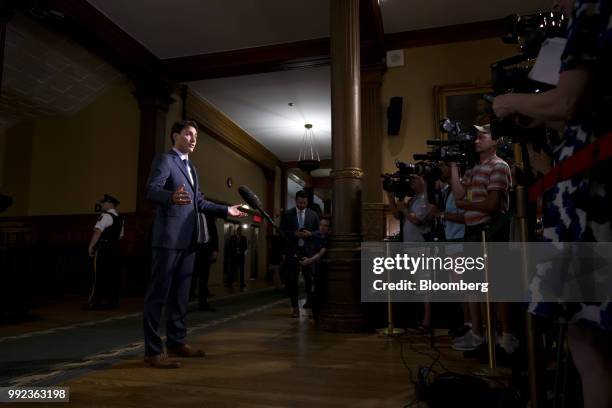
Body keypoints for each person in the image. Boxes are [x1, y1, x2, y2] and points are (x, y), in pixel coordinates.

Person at [493, 0, 612, 405]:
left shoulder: (594, 9)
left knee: (586, 335)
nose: (559, 5)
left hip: (592, 197)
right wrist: (542, 117)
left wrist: (509, 101)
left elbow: (566, 102)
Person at [143, 119, 246, 369]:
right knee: (158, 296)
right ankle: (153, 351)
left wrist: (226, 210)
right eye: (188, 134)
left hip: (188, 241)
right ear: (175, 135)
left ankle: (177, 342)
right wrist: (169, 196)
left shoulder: (192, 168)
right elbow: (151, 190)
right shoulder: (165, 160)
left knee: (180, 296)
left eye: (196, 137)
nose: (193, 139)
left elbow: (200, 202)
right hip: (168, 240)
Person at [449, 124, 515, 353]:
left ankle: (506, 337)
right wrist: (454, 167)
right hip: (474, 230)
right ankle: (477, 334)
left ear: (495, 141)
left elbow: (492, 205)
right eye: (476, 137)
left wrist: (466, 205)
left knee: (497, 286)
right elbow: (458, 195)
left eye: (481, 136)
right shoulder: (475, 169)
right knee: (473, 284)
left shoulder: (499, 166)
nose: (476, 140)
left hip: (492, 230)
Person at [387, 175, 434, 332]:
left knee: (424, 285)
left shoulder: (427, 197)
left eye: (414, 179)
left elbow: (417, 220)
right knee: (417, 285)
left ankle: (427, 322)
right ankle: (419, 319)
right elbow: (397, 215)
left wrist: (404, 209)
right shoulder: (414, 199)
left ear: (423, 180)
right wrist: (390, 196)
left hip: (420, 246)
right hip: (410, 246)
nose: (411, 182)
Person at [280, 190, 320, 317]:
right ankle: (294, 307)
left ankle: (309, 301)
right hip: (293, 250)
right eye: (299, 202)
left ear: (307, 202)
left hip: (308, 250)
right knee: (292, 279)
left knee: (309, 278)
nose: (302, 205)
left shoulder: (313, 215)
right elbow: (281, 232)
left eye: (304, 203)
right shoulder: (287, 214)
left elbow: (319, 231)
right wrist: (294, 234)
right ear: (296, 201)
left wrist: (310, 234)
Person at [85, 194, 124, 310]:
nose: (102, 204)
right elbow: (120, 236)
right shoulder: (120, 218)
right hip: (116, 248)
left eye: (104, 202)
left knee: (99, 275)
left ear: (110, 204)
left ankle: (95, 302)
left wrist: (91, 246)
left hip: (105, 248)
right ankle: (112, 302)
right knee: (113, 275)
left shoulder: (106, 216)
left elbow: (98, 232)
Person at [299, 216, 331, 323]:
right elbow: (311, 235)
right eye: (321, 225)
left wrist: (309, 260)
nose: (322, 227)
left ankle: (319, 315)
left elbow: (321, 253)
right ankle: (316, 315)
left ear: (329, 228)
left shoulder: (328, 238)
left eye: (325, 226)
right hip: (314, 267)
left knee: (320, 291)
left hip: (324, 268)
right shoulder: (316, 234)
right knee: (314, 291)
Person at [190, 214, 218, 311]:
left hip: (206, 249)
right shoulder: (190, 214)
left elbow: (214, 232)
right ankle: (186, 301)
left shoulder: (209, 215)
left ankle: (203, 303)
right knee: (190, 276)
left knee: (204, 277)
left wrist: (215, 249)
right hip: (192, 250)